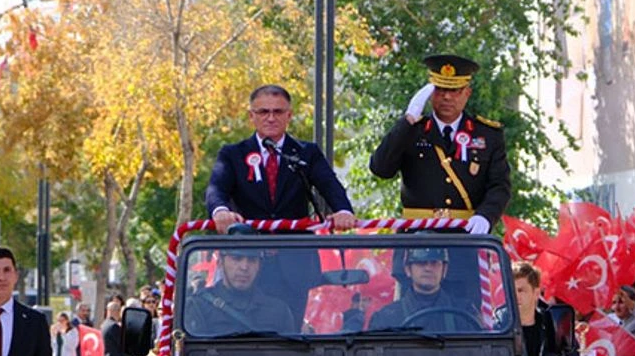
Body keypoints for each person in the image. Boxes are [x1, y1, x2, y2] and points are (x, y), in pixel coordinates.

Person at [369, 55, 509, 233]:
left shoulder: (487, 135)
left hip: (465, 236)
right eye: (441, 90)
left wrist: (486, 216)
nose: (447, 97)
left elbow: (499, 186)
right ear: (430, 92)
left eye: (455, 90)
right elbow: (380, 168)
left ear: (467, 93)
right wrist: (407, 120)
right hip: (417, 236)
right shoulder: (412, 131)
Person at [206, 84, 356, 232]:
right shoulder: (232, 154)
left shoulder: (307, 152)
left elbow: (330, 185)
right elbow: (216, 189)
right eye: (263, 112)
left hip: (295, 248)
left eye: (278, 112)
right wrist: (220, 211)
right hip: (247, 250)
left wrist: (343, 211)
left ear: (289, 115)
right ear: (251, 116)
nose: (271, 118)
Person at [183, 246, 296, 336]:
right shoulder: (198, 306)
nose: (244, 267)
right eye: (236, 258)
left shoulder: (278, 310)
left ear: (259, 266)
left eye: (252, 260)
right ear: (220, 262)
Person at [370, 248, 480, 331]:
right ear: (408, 269)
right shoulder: (386, 318)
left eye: (434, 263)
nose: (428, 268)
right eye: (421, 263)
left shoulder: (465, 314)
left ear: (444, 269)